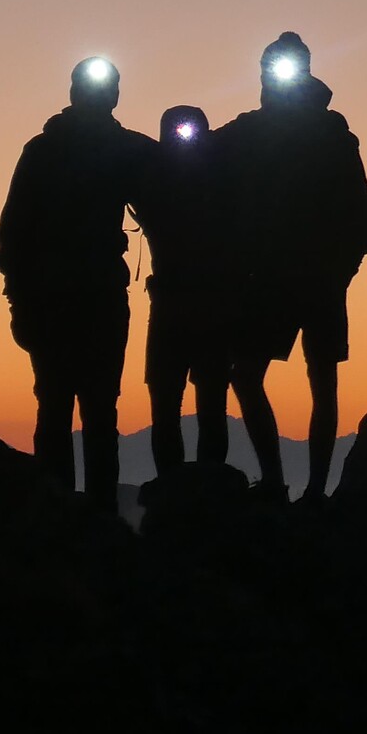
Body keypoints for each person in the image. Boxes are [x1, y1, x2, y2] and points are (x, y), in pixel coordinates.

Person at [216, 32, 367, 503]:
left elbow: (363, 215)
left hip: (313, 276)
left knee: (320, 379)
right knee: (249, 374)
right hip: (271, 275)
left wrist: (341, 267)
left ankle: (312, 489)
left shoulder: (332, 135)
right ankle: (277, 482)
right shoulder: (251, 130)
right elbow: (202, 152)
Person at [0, 56, 155, 511]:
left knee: (56, 405)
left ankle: (57, 513)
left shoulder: (44, 150)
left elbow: (9, 235)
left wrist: (19, 297)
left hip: (55, 297)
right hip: (91, 295)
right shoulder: (123, 150)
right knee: (98, 410)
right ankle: (98, 518)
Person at [132, 105, 233, 481]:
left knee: (180, 403)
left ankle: (178, 492)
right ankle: (200, 490)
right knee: (194, 403)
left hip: (180, 303)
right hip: (199, 303)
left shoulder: (151, 176)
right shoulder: (219, 178)